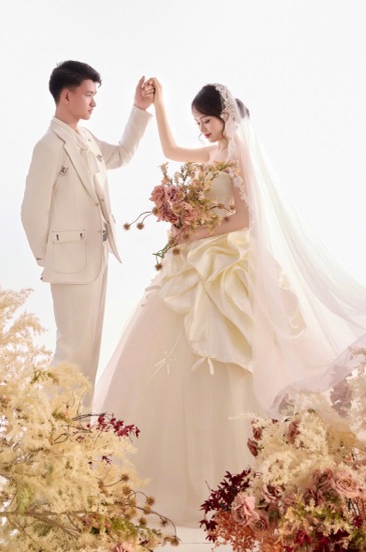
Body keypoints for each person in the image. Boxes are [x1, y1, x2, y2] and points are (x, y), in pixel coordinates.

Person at [94, 79, 366, 526]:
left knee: (230, 351)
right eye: (197, 122)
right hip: (200, 255)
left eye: (206, 121)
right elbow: (171, 150)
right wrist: (158, 105)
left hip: (228, 258)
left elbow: (243, 217)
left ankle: (241, 466)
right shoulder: (212, 153)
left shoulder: (240, 154)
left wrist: (194, 230)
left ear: (226, 117)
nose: (202, 129)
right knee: (172, 339)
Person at [21, 60, 154, 408]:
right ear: (66, 96)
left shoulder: (87, 138)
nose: (94, 102)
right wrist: (49, 258)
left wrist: (139, 109)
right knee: (71, 349)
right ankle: (46, 425)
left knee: (89, 350)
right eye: (89, 94)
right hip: (68, 262)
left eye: (96, 95)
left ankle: (76, 428)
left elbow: (122, 155)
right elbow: (32, 210)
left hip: (97, 256)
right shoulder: (49, 146)